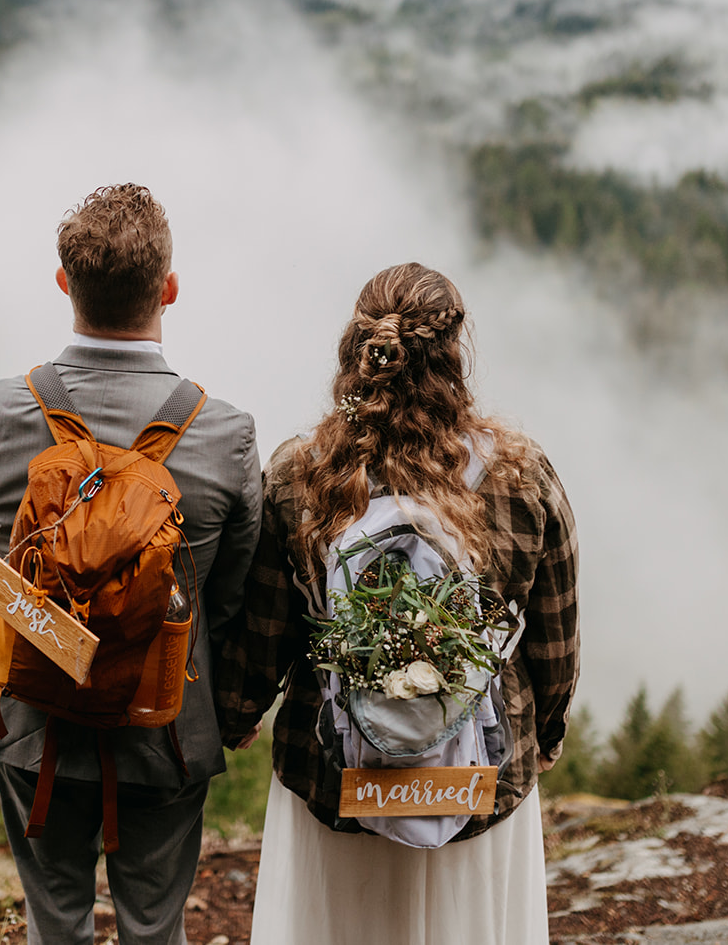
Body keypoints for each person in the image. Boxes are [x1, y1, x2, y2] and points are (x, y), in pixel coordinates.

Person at [216, 262, 579, 945]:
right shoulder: (520, 473)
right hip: (481, 781)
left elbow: (266, 630)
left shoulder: (301, 472)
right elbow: (555, 639)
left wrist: (236, 713)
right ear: (454, 355)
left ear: (358, 350)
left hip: (336, 772)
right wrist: (548, 731)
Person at [0, 183, 262, 945]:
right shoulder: (225, 434)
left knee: (54, 923)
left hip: (29, 717)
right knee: (155, 927)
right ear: (170, 290)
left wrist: (37, 652)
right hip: (166, 727)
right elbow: (233, 596)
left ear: (66, 284)